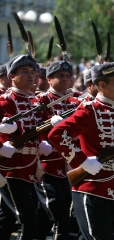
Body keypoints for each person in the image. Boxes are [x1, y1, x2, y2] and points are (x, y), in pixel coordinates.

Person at [48, 62, 114, 239]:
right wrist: (82, 161)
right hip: (91, 188)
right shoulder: (89, 110)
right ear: (102, 85)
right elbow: (57, 134)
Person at [33, 60, 81, 239]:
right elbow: (31, 126)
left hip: (68, 166)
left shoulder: (76, 101)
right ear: (49, 79)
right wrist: (42, 139)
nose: (65, 79)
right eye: (60, 76)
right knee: (59, 215)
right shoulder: (41, 100)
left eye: (68, 76)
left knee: (46, 218)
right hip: (47, 165)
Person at [0, 54, 42, 239]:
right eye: (24, 71)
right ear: (12, 76)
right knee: (28, 218)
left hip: (30, 167)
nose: (30, 75)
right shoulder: (5, 100)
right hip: (10, 168)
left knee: (8, 219)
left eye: (33, 72)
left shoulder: (34, 102)